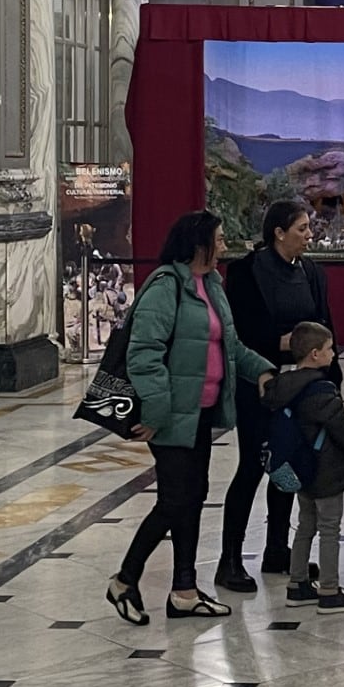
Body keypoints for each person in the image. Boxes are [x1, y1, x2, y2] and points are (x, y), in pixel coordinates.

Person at [106, 211, 275, 625]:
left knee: (192, 498)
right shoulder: (166, 286)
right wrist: (156, 412)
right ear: (198, 243)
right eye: (218, 239)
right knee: (174, 500)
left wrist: (266, 371)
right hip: (169, 416)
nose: (223, 246)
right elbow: (143, 355)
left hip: (199, 412)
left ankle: (183, 590)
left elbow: (230, 347)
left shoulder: (212, 285)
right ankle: (125, 580)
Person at [219, 199, 340, 592]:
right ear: (279, 232)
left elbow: (324, 329)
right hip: (260, 383)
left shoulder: (312, 273)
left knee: (288, 466)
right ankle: (230, 558)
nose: (309, 235)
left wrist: (328, 381)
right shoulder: (245, 273)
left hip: (302, 386)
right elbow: (240, 334)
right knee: (253, 466)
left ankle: (277, 548)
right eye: (302, 229)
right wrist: (281, 343)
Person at [269, 322, 344, 614]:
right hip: (326, 468)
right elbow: (342, 427)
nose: (334, 354)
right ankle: (329, 589)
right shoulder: (320, 391)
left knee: (304, 525)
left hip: (299, 467)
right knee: (329, 529)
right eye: (329, 349)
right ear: (314, 354)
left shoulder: (283, 385)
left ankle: (297, 584)